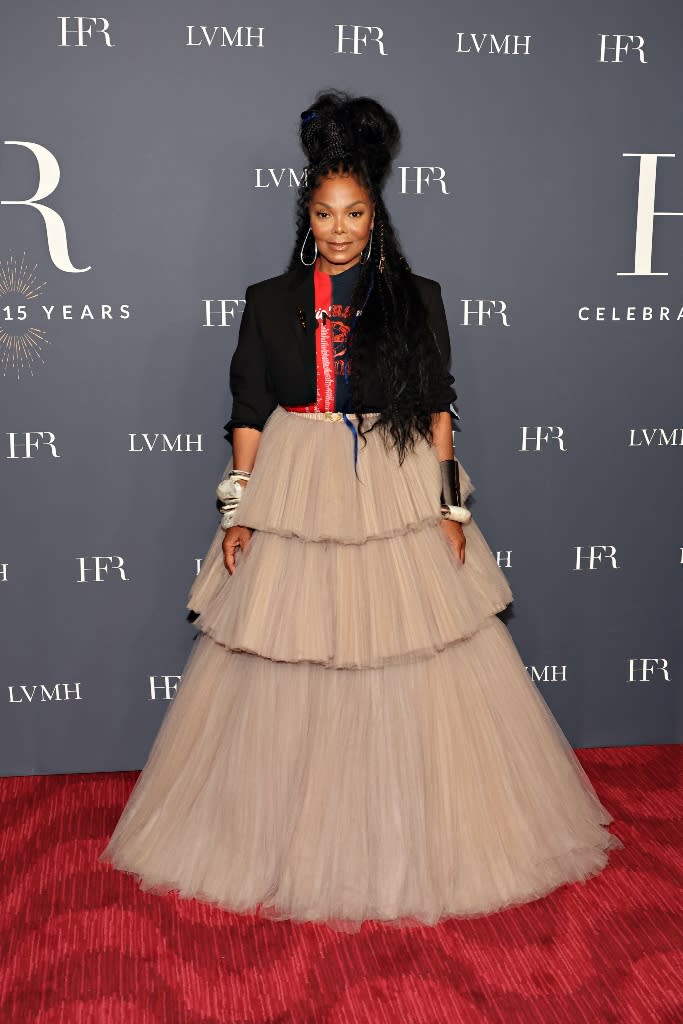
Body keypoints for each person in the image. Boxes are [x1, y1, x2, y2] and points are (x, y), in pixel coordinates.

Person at [99, 90, 623, 930]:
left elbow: (442, 410)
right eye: (324, 212)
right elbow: (246, 412)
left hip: (398, 486)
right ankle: (281, 835)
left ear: (375, 216)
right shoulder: (268, 301)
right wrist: (237, 513)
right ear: (305, 217)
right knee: (290, 662)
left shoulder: (414, 297)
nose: (339, 226)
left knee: (413, 660)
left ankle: (412, 828)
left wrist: (452, 512)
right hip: (296, 489)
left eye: (354, 212)